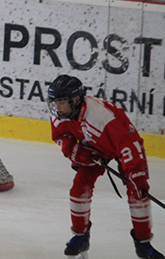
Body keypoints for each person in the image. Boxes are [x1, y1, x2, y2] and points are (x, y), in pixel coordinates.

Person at [47, 75, 164, 259]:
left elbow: (128, 143)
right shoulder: (60, 114)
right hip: (94, 145)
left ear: (76, 100)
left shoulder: (100, 117)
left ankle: (143, 244)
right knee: (79, 186)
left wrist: (137, 173)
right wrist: (73, 149)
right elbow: (61, 136)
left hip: (122, 145)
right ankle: (80, 236)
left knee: (137, 191)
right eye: (56, 102)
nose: (58, 107)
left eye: (63, 102)